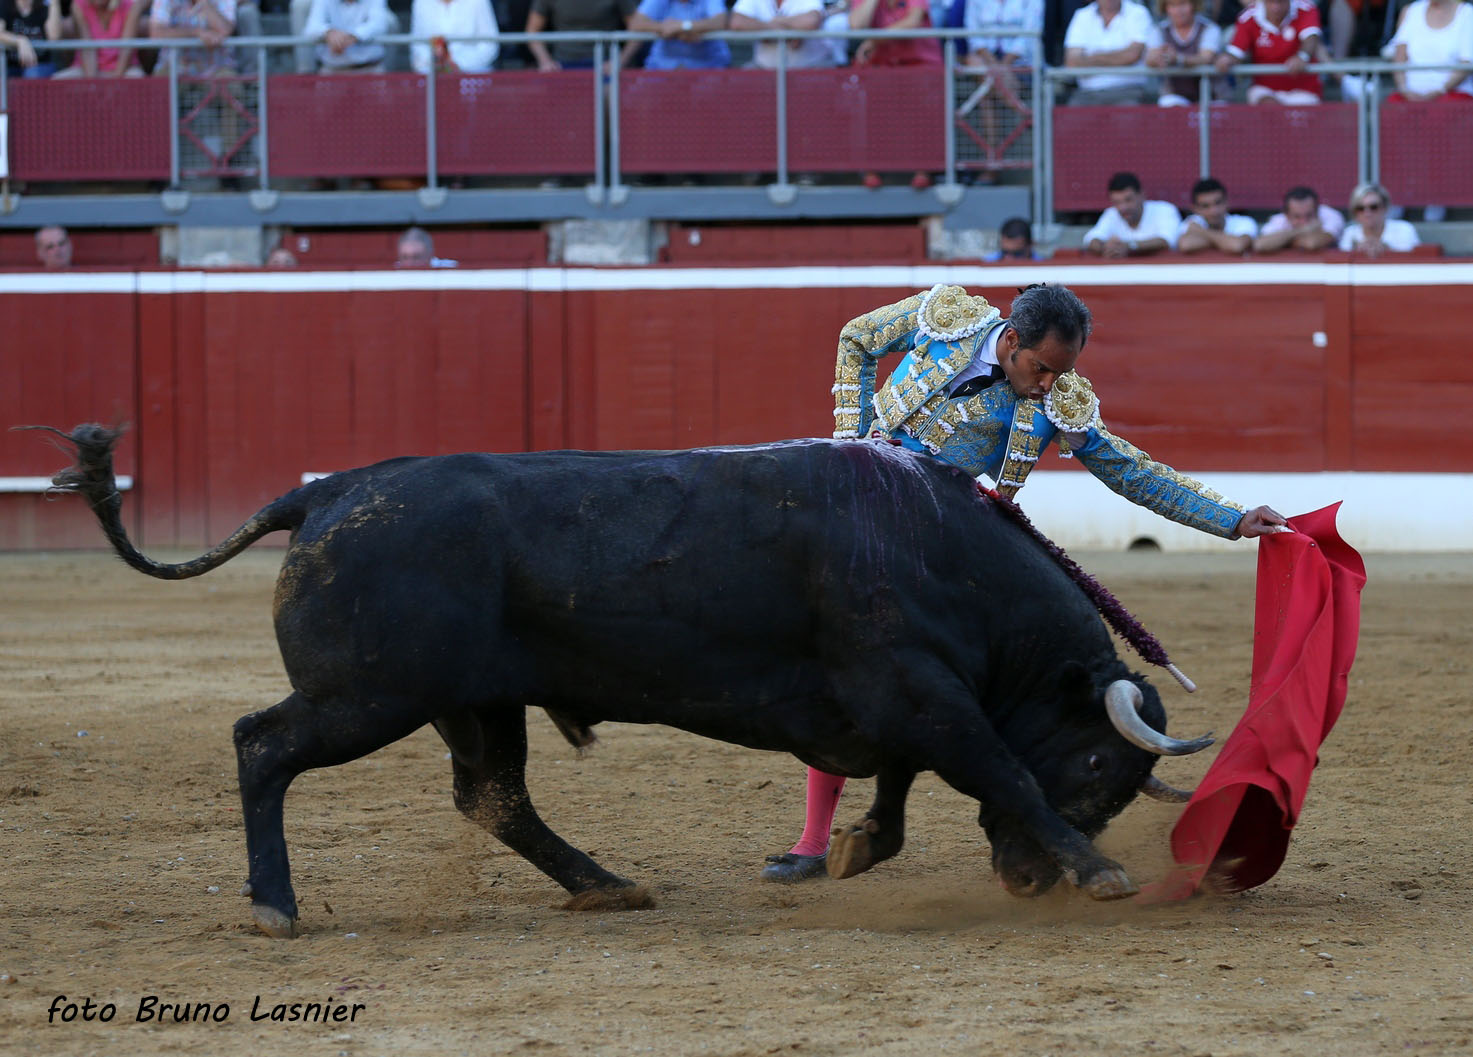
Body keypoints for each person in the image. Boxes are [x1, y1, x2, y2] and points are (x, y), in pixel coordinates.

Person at [763, 281, 1289, 882]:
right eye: (1040, 368)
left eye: (1059, 373)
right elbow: (855, 339)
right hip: (856, 516)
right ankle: (814, 839)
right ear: (1010, 340)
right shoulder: (946, 317)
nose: (1047, 385)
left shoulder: (1057, 402)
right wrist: (850, 446)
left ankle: (858, 834)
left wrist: (1232, 518)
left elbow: (1130, 470)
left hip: (934, 546)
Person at [850, 0, 942, 190]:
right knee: (870, 98)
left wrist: (874, 39)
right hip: (883, 65)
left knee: (920, 95)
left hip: (920, 63)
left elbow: (913, 21)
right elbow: (856, 25)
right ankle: (871, 168)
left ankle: (924, 169)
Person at [1214, 0, 1327, 104]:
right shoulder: (1248, 16)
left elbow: (1311, 38)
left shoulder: (1305, 8)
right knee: (1269, 107)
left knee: (1300, 115)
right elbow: (1236, 52)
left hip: (1304, 90)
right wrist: (1227, 59)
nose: (1276, 8)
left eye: (1280, 2)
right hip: (1265, 89)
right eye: (1271, 2)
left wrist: (1302, 56)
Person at [1062, 0, 1155, 104]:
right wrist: (1118, 57)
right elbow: (1072, 62)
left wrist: (1090, 58)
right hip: (1087, 94)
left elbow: (1132, 55)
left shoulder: (1138, 12)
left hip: (1129, 92)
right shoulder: (1082, 15)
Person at [1386, 0, 1473, 102]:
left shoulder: (1468, 13)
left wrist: (1439, 91)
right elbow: (1399, 57)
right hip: (1409, 97)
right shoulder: (1411, 11)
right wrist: (1404, 90)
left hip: (1453, 96)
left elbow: (1466, 62)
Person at [1082, 170, 1181, 256]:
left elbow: (1167, 241)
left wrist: (1130, 246)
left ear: (1142, 195)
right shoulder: (1111, 214)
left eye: (1128, 200)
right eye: (1117, 202)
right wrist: (1105, 247)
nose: (1123, 207)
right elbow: (1091, 239)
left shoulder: (1164, 209)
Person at [1145, 0, 1224, 105]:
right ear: (1165, 7)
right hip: (1174, 95)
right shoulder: (1158, 30)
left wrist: (1178, 59)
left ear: (1194, 5)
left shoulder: (1210, 28)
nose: (1178, 10)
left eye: (1183, 4)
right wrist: (1159, 57)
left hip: (1211, 96)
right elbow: (1150, 59)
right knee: (1168, 104)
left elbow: (1206, 58)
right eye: (1172, 5)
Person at [526, 0, 637, 71]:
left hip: (604, 65)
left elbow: (637, 29)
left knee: (608, 96)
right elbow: (532, 30)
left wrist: (619, 61)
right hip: (562, 65)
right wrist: (546, 62)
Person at [730, 0, 835, 69]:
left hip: (811, 67)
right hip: (764, 67)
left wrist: (767, 28)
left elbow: (812, 20)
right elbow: (737, 21)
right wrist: (788, 34)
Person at [53, 0, 145, 78]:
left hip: (124, 69)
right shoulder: (79, 5)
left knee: (137, 77)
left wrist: (115, 83)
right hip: (88, 69)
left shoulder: (131, 5)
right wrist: (94, 85)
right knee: (57, 80)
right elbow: (87, 50)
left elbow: (126, 50)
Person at [628, 0, 731, 68]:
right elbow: (636, 23)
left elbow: (720, 21)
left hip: (708, 69)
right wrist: (665, 28)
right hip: (662, 67)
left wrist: (684, 26)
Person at [148, 0, 237, 76]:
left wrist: (202, 2)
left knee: (230, 82)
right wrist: (196, 32)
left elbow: (225, 29)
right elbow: (156, 34)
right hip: (173, 68)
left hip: (215, 70)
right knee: (161, 80)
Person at [302, 0, 394, 72]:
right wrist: (329, 33)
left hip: (370, 69)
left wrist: (352, 36)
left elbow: (379, 24)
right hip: (332, 71)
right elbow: (311, 28)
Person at [411, 0, 500, 73]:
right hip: (432, 76)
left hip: (473, 76)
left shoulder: (479, 2)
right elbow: (417, 45)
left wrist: (459, 64)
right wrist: (435, 64)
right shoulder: (420, 3)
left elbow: (490, 45)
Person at [1252, 184, 1344, 253]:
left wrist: (1282, 241)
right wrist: (1302, 230)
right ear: (1286, 215)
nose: (1303, 222)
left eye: (1308, 215)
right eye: (1297, 217)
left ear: (1317, 210)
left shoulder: (1331, 215)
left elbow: (1311, 244)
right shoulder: (1279, 220)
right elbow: (1260, 245)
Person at [1177, 176, 1257, 254]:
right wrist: (1224, 242)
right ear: (1195, 209)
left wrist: (1201, 232)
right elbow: (1186, 245)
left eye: (1218, 203)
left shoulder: (1243, 221)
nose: (1213, 211)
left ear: (1227, 202)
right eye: (1205, 206)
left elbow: (1237, 245)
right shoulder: (1192, 221)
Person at [1338, 182, 1421, 256]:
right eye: (1360, 208)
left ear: (1385, 208)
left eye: (1373, 207)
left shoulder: (1404, 230)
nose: (1367, 213)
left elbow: (1416, 263)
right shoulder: (1349, 234)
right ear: (1354, 212)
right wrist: (1358, 253)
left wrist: (1388, 251)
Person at [0, 0, 64, 78]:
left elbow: (54, 37)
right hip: (9, 65)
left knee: (33, 74)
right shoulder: (5, 3)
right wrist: (20, 41)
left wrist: (54, 2)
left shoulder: (44, 4)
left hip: (40, 63)